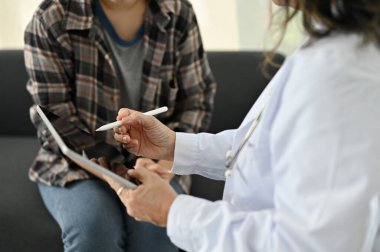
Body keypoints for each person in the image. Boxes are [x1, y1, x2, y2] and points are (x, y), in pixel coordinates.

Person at [99, 0, 380, 251]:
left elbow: (306, 243)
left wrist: (172, 211)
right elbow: (268, 148)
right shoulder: (328, 48)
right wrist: (174, 144)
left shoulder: (339, 75)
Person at [24, 0, 216, 251]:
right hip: (76, 164)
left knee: (159, 228)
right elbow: (55, 121)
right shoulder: (50, 19)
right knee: (93, 227)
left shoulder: (179, 13)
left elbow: (196, 102)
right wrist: (118, 172)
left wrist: (166, 163)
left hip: (158, 161)